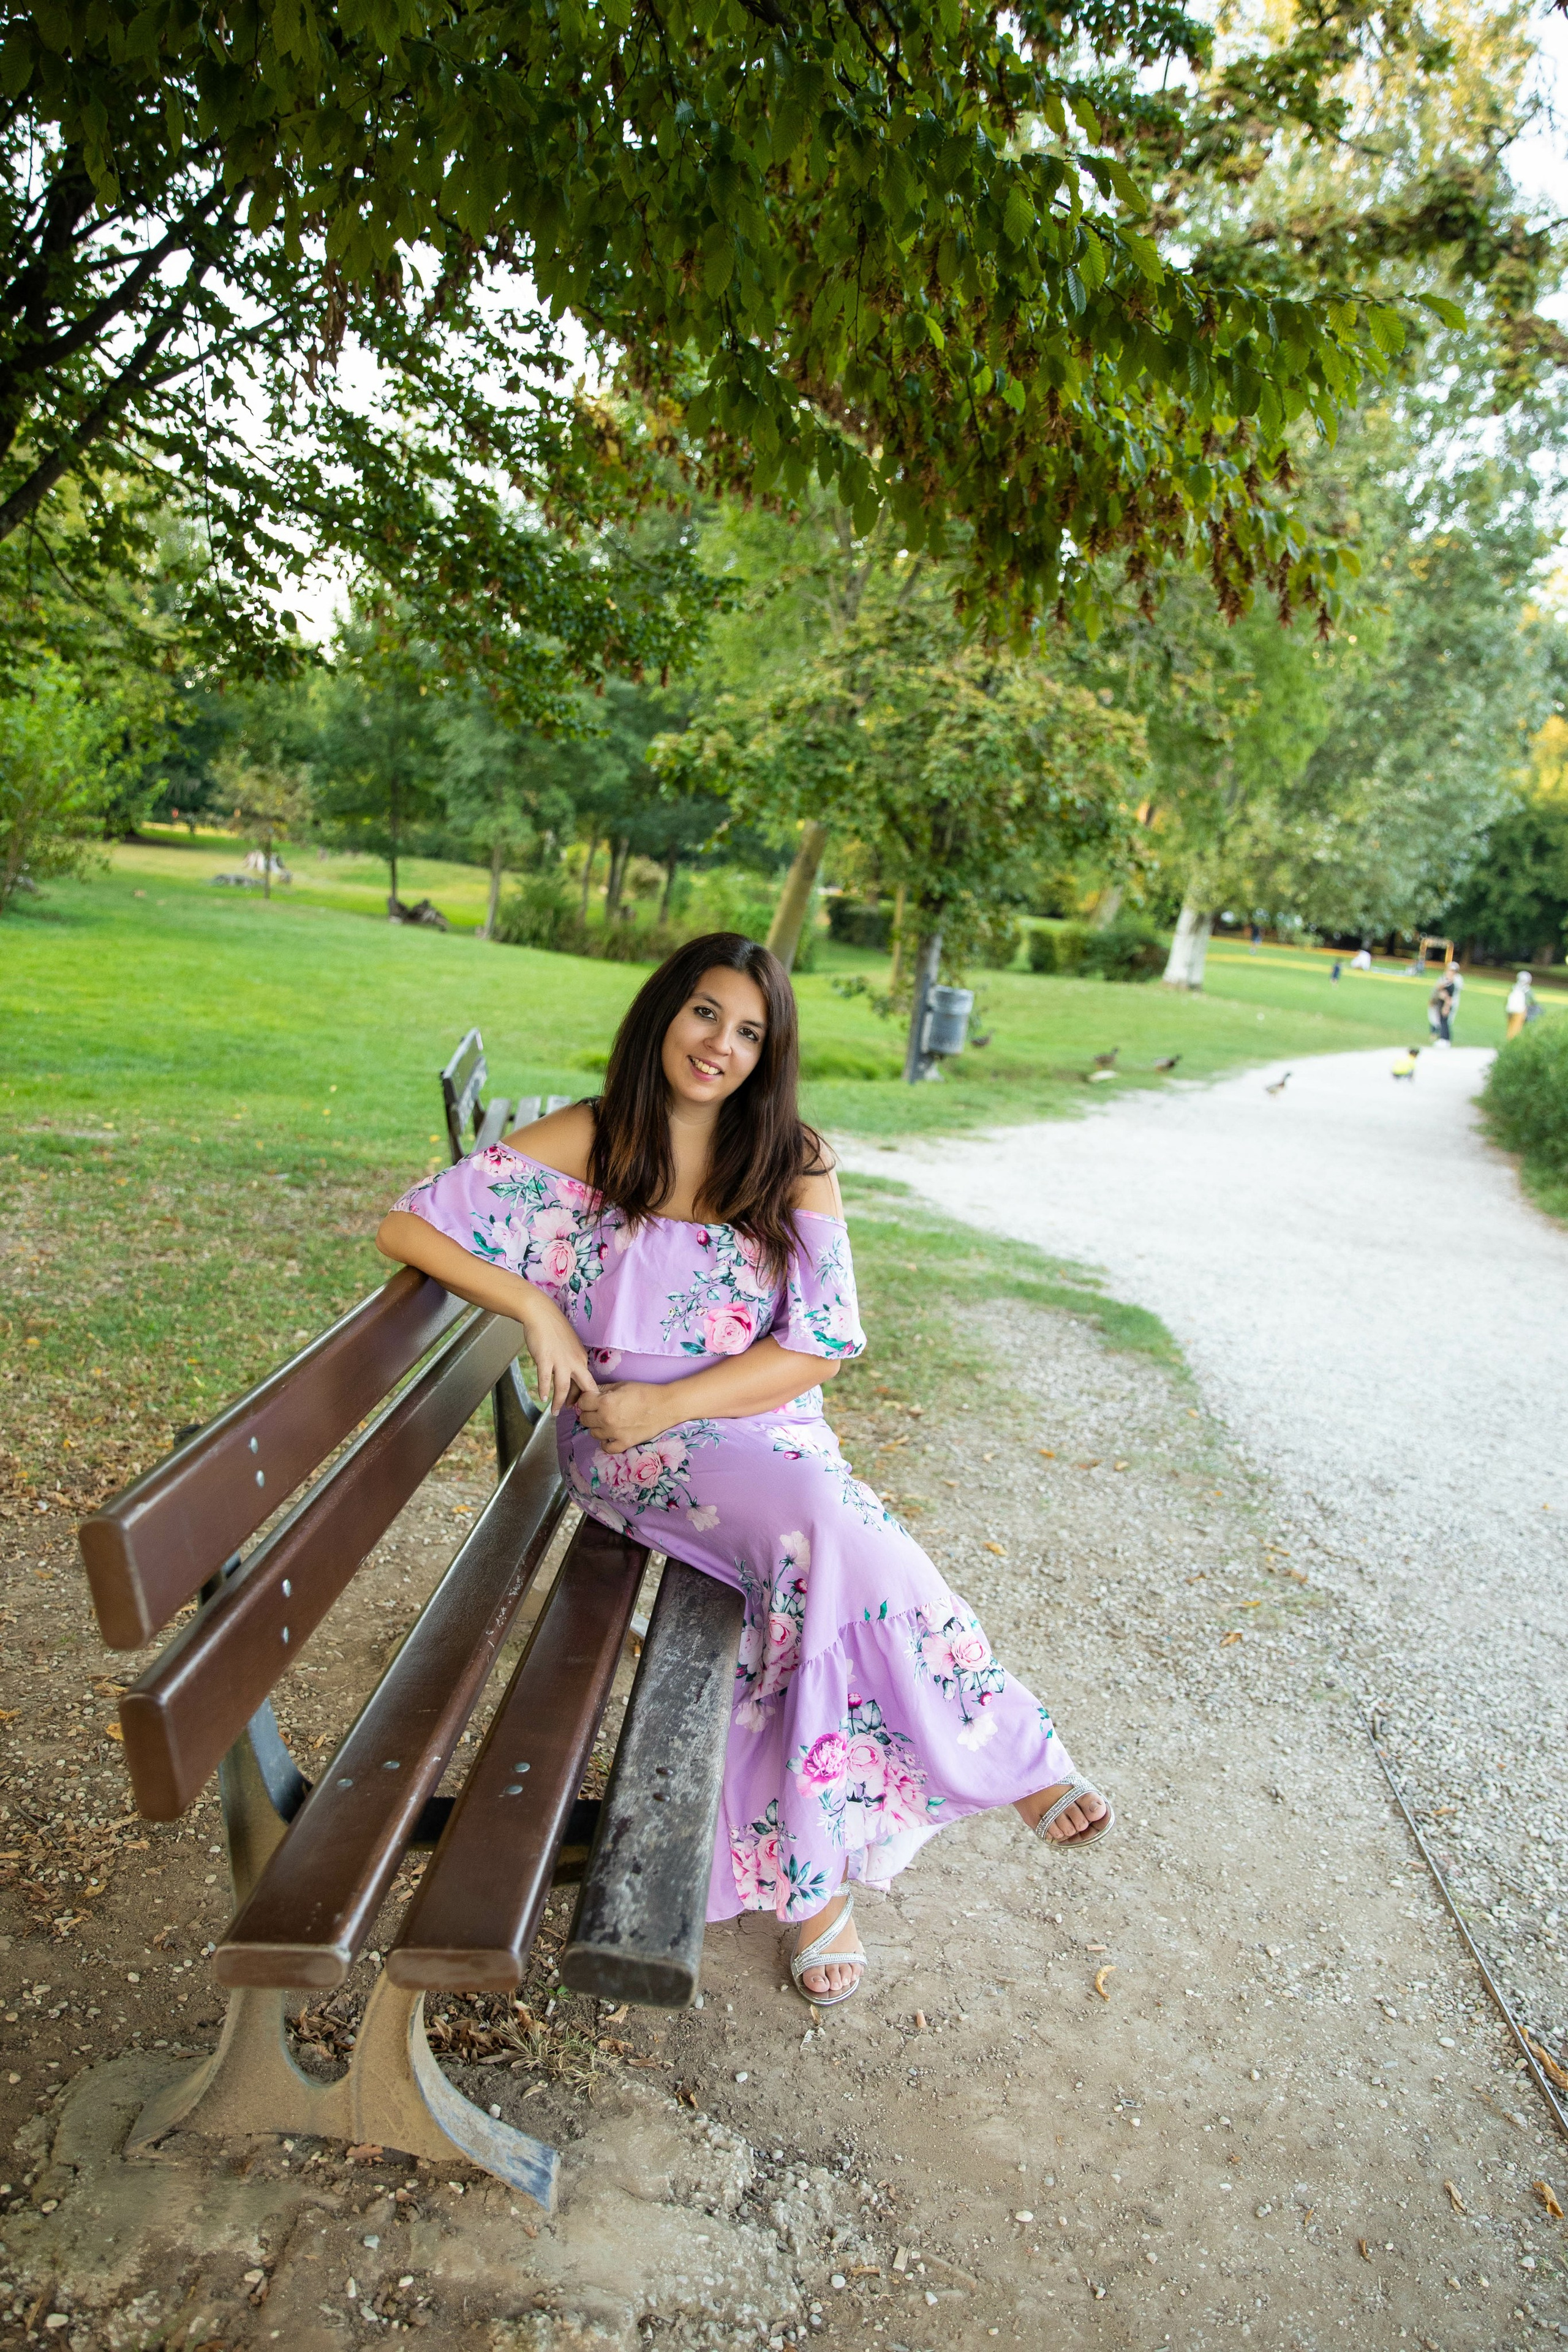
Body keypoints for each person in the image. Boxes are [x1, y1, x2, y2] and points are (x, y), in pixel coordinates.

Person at [375, 935, 1112, 2011]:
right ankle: (1007, 1747)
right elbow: (407, 1223)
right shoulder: (592, 1137)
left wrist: (675, 1396)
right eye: (705, 1014)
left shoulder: (793, 1158)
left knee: (812, 1565)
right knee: (825, 1532)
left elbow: (821, 1339)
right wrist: (534, 1305)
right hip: (634, 1450)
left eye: (750, 1032)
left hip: (757, 1427)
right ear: (664, 1014)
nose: (721, 1045)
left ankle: (815, 1891)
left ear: (771, 1055)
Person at [1506, 971, 1536, 1040]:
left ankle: (1509, 1038)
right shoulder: (1527, 989)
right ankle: (1513, 1040)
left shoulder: (1514, 987)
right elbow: (1532, 1001)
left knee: (1510, 1026)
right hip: (1520, 1010)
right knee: (1517, 1027)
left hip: (1510, 1009)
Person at [1427, 976, 1453, 1046]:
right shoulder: (1444, 986)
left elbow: (1449, 998)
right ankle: (1445, 1039)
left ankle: (1444, 1039)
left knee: (1444, 1022)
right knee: (1442, 1022)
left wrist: (1446, 1008)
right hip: (1441, 1006)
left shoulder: (1450, 987)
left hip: (1444, 1006)